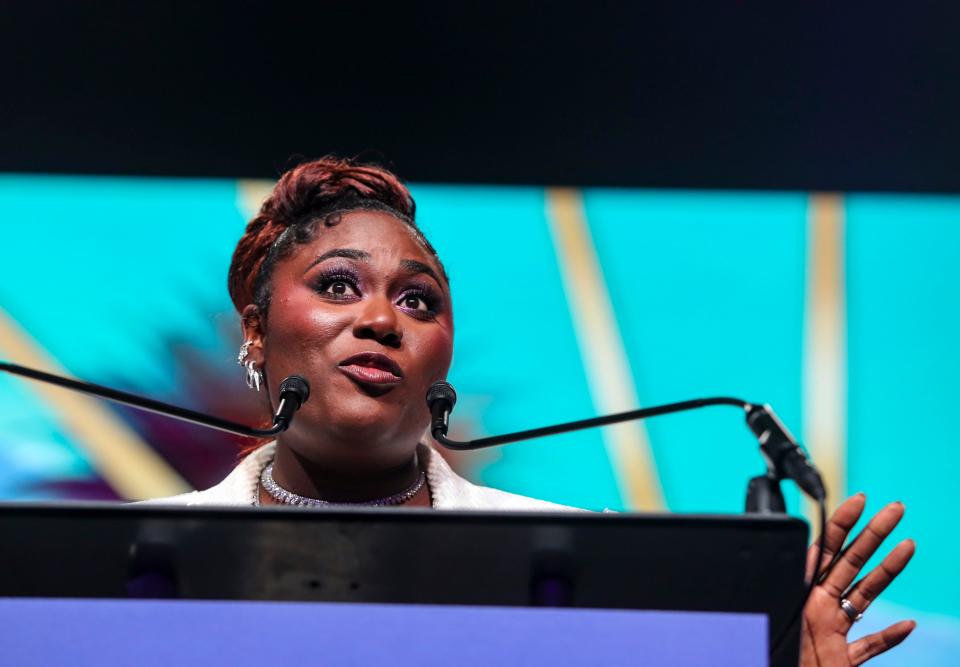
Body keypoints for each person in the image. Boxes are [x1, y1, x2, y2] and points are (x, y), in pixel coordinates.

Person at [147, 156, 916, 665]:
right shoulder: (125, 562)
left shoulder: (592, 566)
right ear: (256, 330)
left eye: (418, 300)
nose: (383, 319)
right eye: (339, 284)